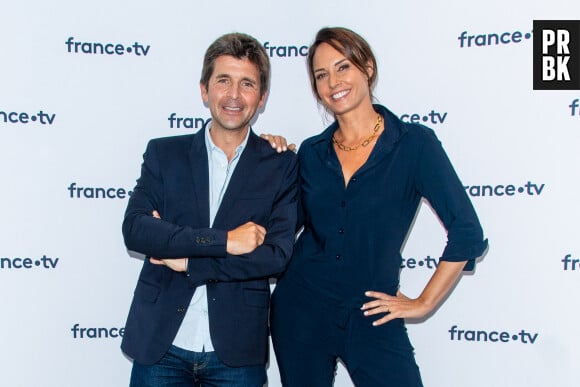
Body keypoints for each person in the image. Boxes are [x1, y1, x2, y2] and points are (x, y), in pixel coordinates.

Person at [269, 26, 488, 386]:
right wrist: (265, 158)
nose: (332, 82)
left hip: (373, 311)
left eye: (343, 67)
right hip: (300, 309)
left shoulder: (414, 144)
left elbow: (467, 232)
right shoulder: (311, 152)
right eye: (321, 75)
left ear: (367, 67)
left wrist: (423, 303)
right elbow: (282, 229)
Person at [121, 32, 298, 387]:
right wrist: (224, 241)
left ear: (261, 98)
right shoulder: (164, 153)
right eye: (223, 81)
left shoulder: (281, 165)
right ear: (204, 90)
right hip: (161, 344)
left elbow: (275, 256)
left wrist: (187, 259)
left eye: (247, 84)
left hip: (236, 350)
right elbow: (137, 230)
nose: (234, 95)